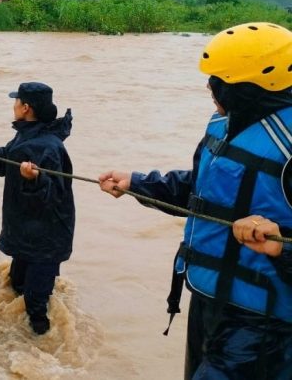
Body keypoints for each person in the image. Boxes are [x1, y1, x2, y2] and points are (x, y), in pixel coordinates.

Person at [98, 22, 292, 380]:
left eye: (218, 80)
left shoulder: (287, 147)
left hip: (265, 323)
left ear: (249, 89)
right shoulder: (224, 124)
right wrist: (137, 184)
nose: (209, 87)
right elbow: (202, 189)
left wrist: (281, 244)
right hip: (208, 298)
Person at [0, 82, 75, 335]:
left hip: (46, 239)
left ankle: (41, 350)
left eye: (16, 101)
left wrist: (36, 179)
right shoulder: (29, 134)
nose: (13, 105)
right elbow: (6, 160)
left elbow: (55, 194)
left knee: (35, 304)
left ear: (26, 108)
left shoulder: (49, 147)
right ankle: (14, 336)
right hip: (28, 230)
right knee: (16, 283)